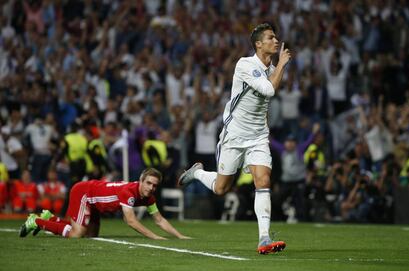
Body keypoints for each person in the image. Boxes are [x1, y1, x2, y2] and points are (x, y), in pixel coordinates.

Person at [178, 23, 291, 254]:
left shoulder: (271, 69)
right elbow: (269, 91)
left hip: (258, 136)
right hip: (235, 135)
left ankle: (264, 238)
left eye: (275, 37)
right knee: (221, 188)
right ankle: (197, 172)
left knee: (263, 180)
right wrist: (282, 64)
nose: (275, 40)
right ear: (258, 44)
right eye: (270, 37)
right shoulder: (245, 64)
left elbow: (264, 102)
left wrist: (264, 124)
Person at [19, 168, 191, 240]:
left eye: (154, 185)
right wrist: (154, 237)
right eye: (148, 183)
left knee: (91, 237)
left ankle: (51, 219)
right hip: (84, 194)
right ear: (141, 181)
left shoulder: (149, 198)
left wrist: (179, 236)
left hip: (95, 203)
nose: (151, 188)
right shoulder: (129, 193)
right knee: (76, 235)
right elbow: (130, 221)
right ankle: (36, 221)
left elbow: (159, 220)